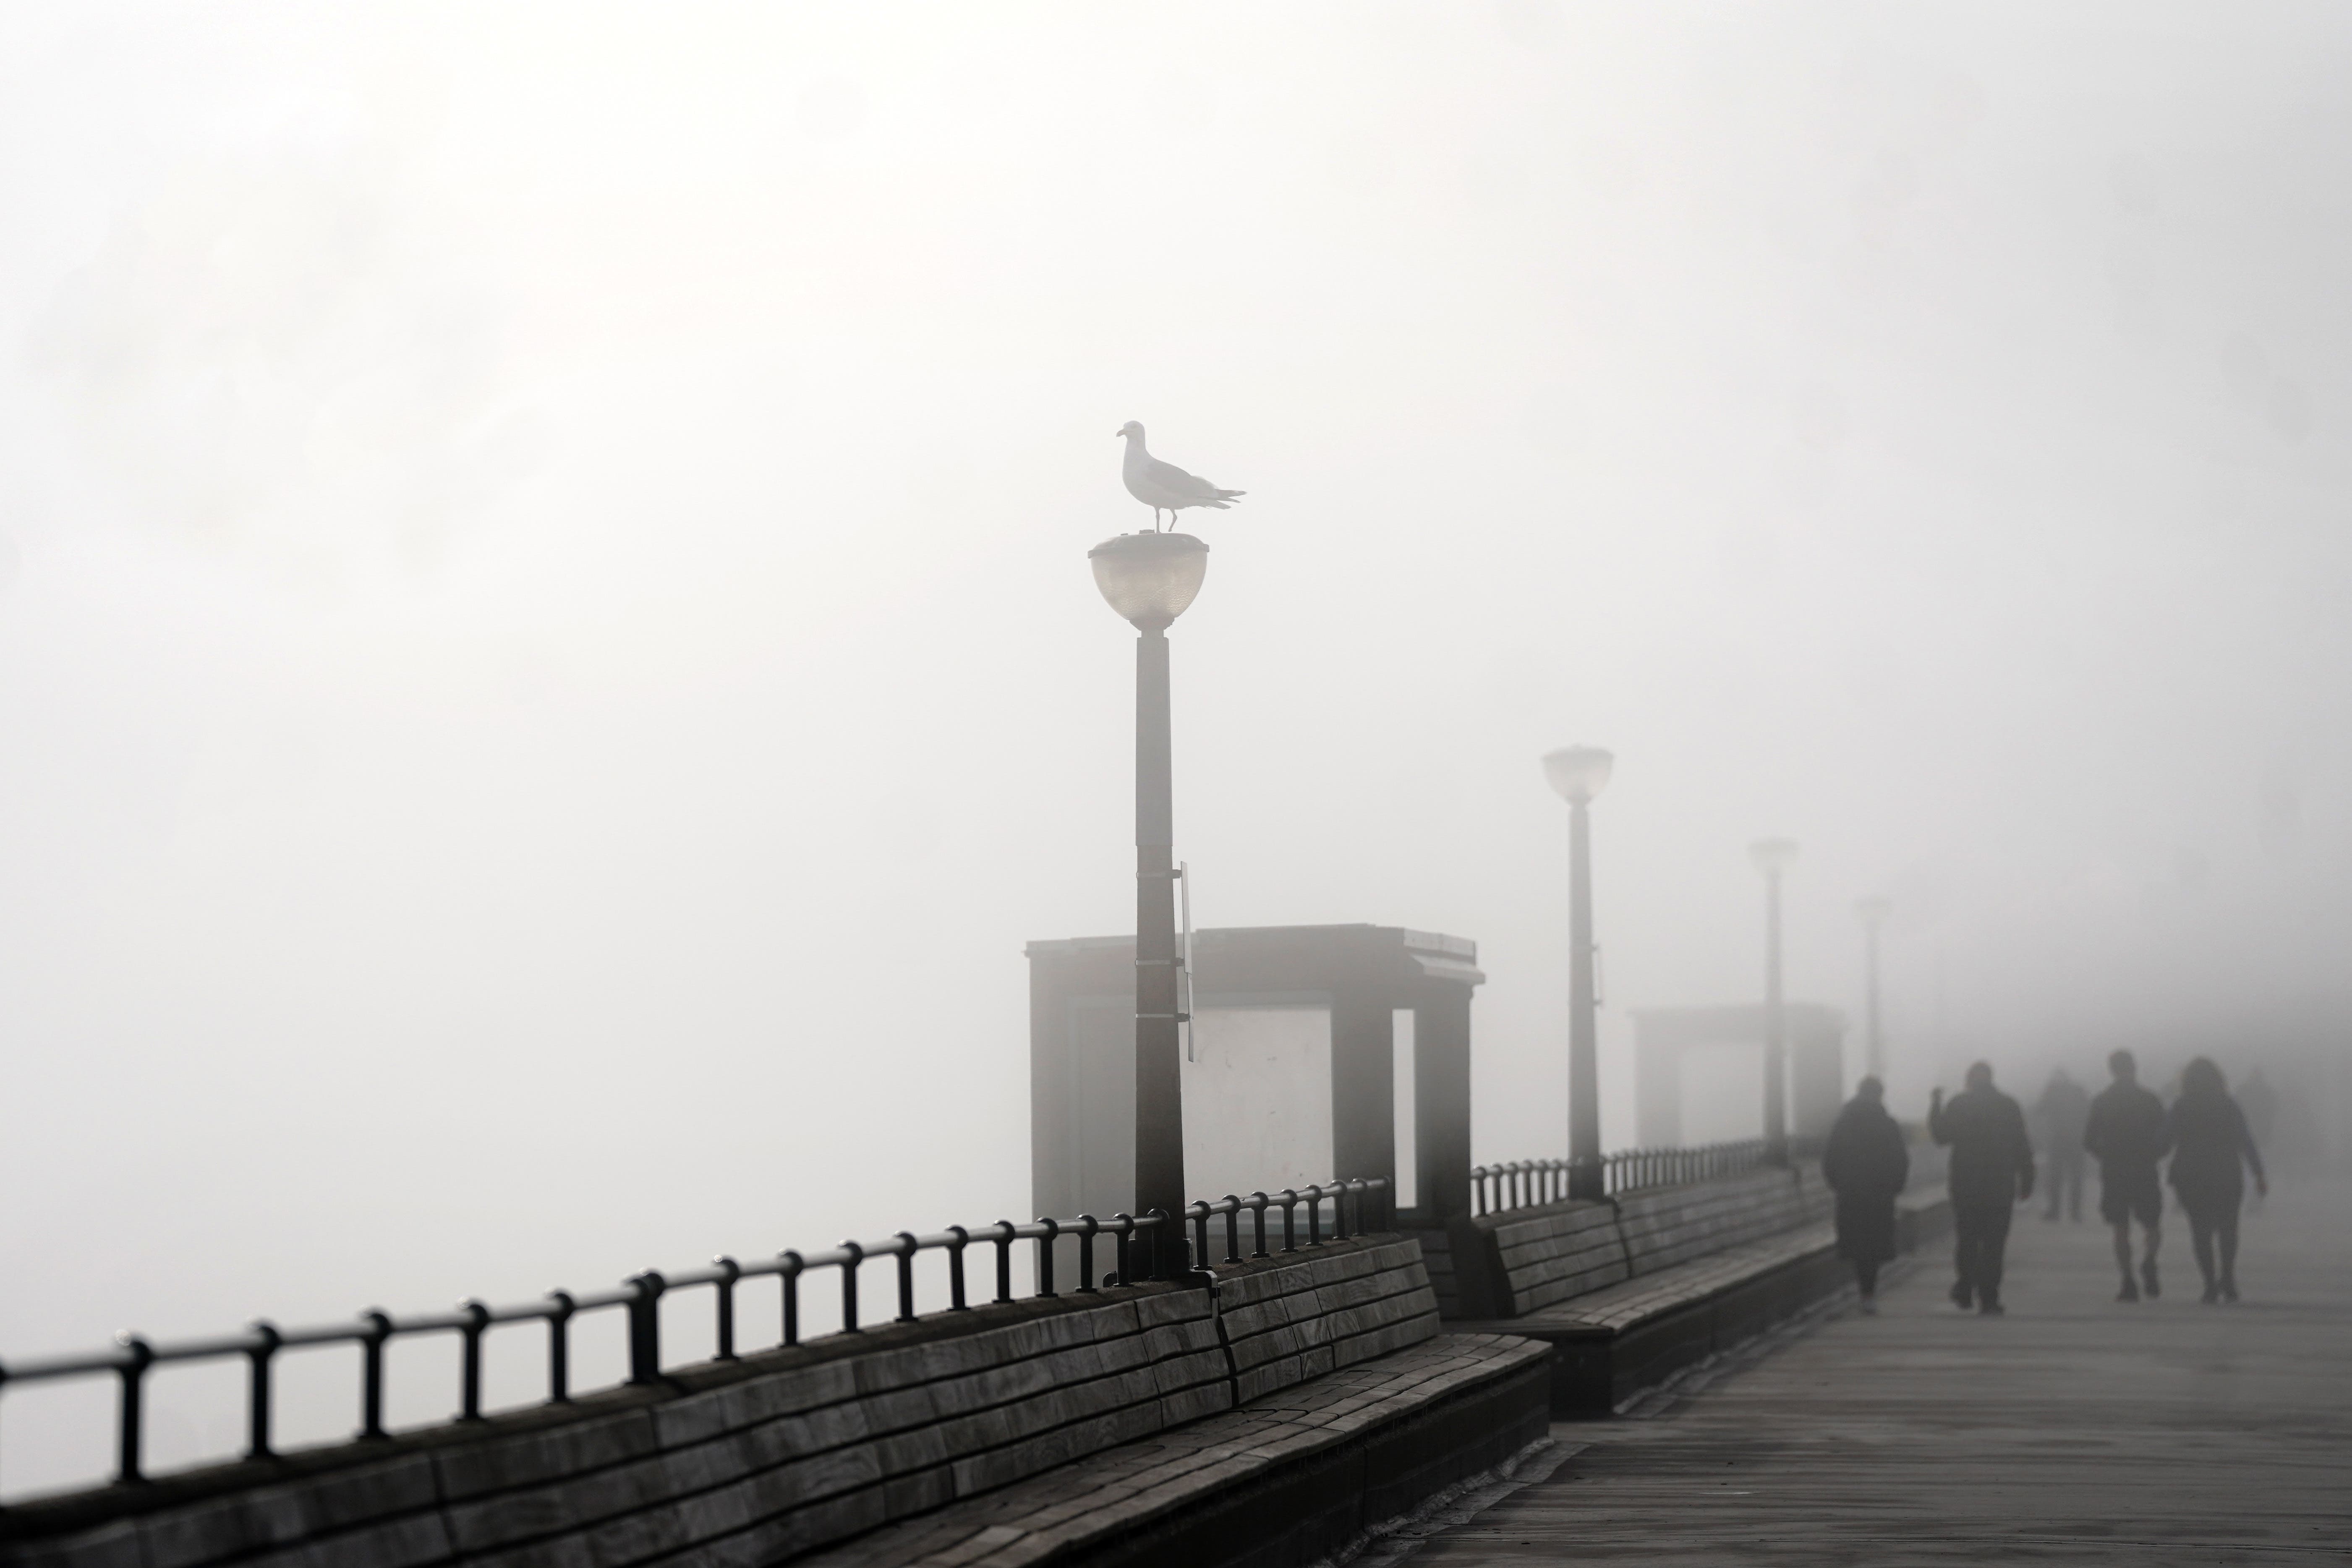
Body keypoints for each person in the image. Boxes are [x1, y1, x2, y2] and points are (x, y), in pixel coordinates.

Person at [1929, 1062, 2035, 1315]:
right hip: (2000, 1186)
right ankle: (1989, 1297)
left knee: (1967, 1240)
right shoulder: (2009, 1106)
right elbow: (2021, 1144)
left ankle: (1965, 1287)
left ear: (1970, 1080)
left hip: (1967, 1185)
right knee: (1994, 1244)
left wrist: (1935, 1105)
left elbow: (1941, 1137)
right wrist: (2028, 1179)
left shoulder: (1959, 1105)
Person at [2166, 1057, 2268, 1304]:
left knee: (2200, 1231)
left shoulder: (2181, 1106)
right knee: (2228, 1228)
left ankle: (2210, 1284)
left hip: (2191, 1176)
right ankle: (2229, 1279)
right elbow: (2246, 1140)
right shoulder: (2228, 1105)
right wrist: (2259, 1173)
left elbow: (2163, 1140)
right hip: (2226, 1173)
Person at [2083, 1048, 2171, 1301]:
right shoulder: (2149, 1100)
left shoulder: (2103, 1101)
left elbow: (2088, 1140)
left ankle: (2127, 1280)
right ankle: (2150, 1261)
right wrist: (2155, 1155)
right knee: (2152, 1224)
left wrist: (2107, 1156)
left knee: (2120, 1228)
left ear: (2112, 1070)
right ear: (2135, 1068)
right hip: (2145, 1168)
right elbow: (2166, 1136)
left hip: (2115, 1171)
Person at [1822, 1076, 1910, 1314]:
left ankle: (1866, 1291)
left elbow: (1830, 1157)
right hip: (1880, 1193)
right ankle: (1868, 1291)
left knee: (1858, 1243)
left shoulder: (1843, 1123)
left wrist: (1838, 1184)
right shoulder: (1888, 1124)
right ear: (1880, 1095)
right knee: (1874, 1243)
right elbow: (1900, 1158)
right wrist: (1897, 1185)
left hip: (1851, 1193)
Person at [2032, 1067, 2091, 1223]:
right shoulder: (2079, 1091)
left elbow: (2039, 1110)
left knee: (2055, 1177)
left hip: (2057, 1139)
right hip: (2077, 1139)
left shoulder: (2052, 1091)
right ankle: (2076, 1213)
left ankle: (2054, 1211)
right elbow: (2089, 1111)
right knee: (2076, 1177)